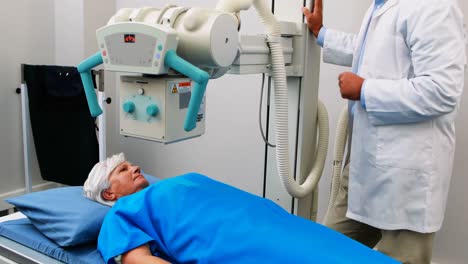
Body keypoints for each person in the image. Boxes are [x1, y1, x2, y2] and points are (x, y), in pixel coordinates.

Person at [303, 0, 466, 263]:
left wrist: (365, 90)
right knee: (325, 251)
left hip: (406, 180)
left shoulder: (434, 6)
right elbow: (370, 51)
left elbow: (442, 90)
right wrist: (321, 33)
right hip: (365, 166)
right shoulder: (382, 5)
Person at [84, 153, 399, 264]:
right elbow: (139, 260)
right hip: (236, 242)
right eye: (123, 169)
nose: (135, 166)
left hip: (267, 222)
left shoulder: (167, 186)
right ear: (109, 192)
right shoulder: (119, 216)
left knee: (334, 249)